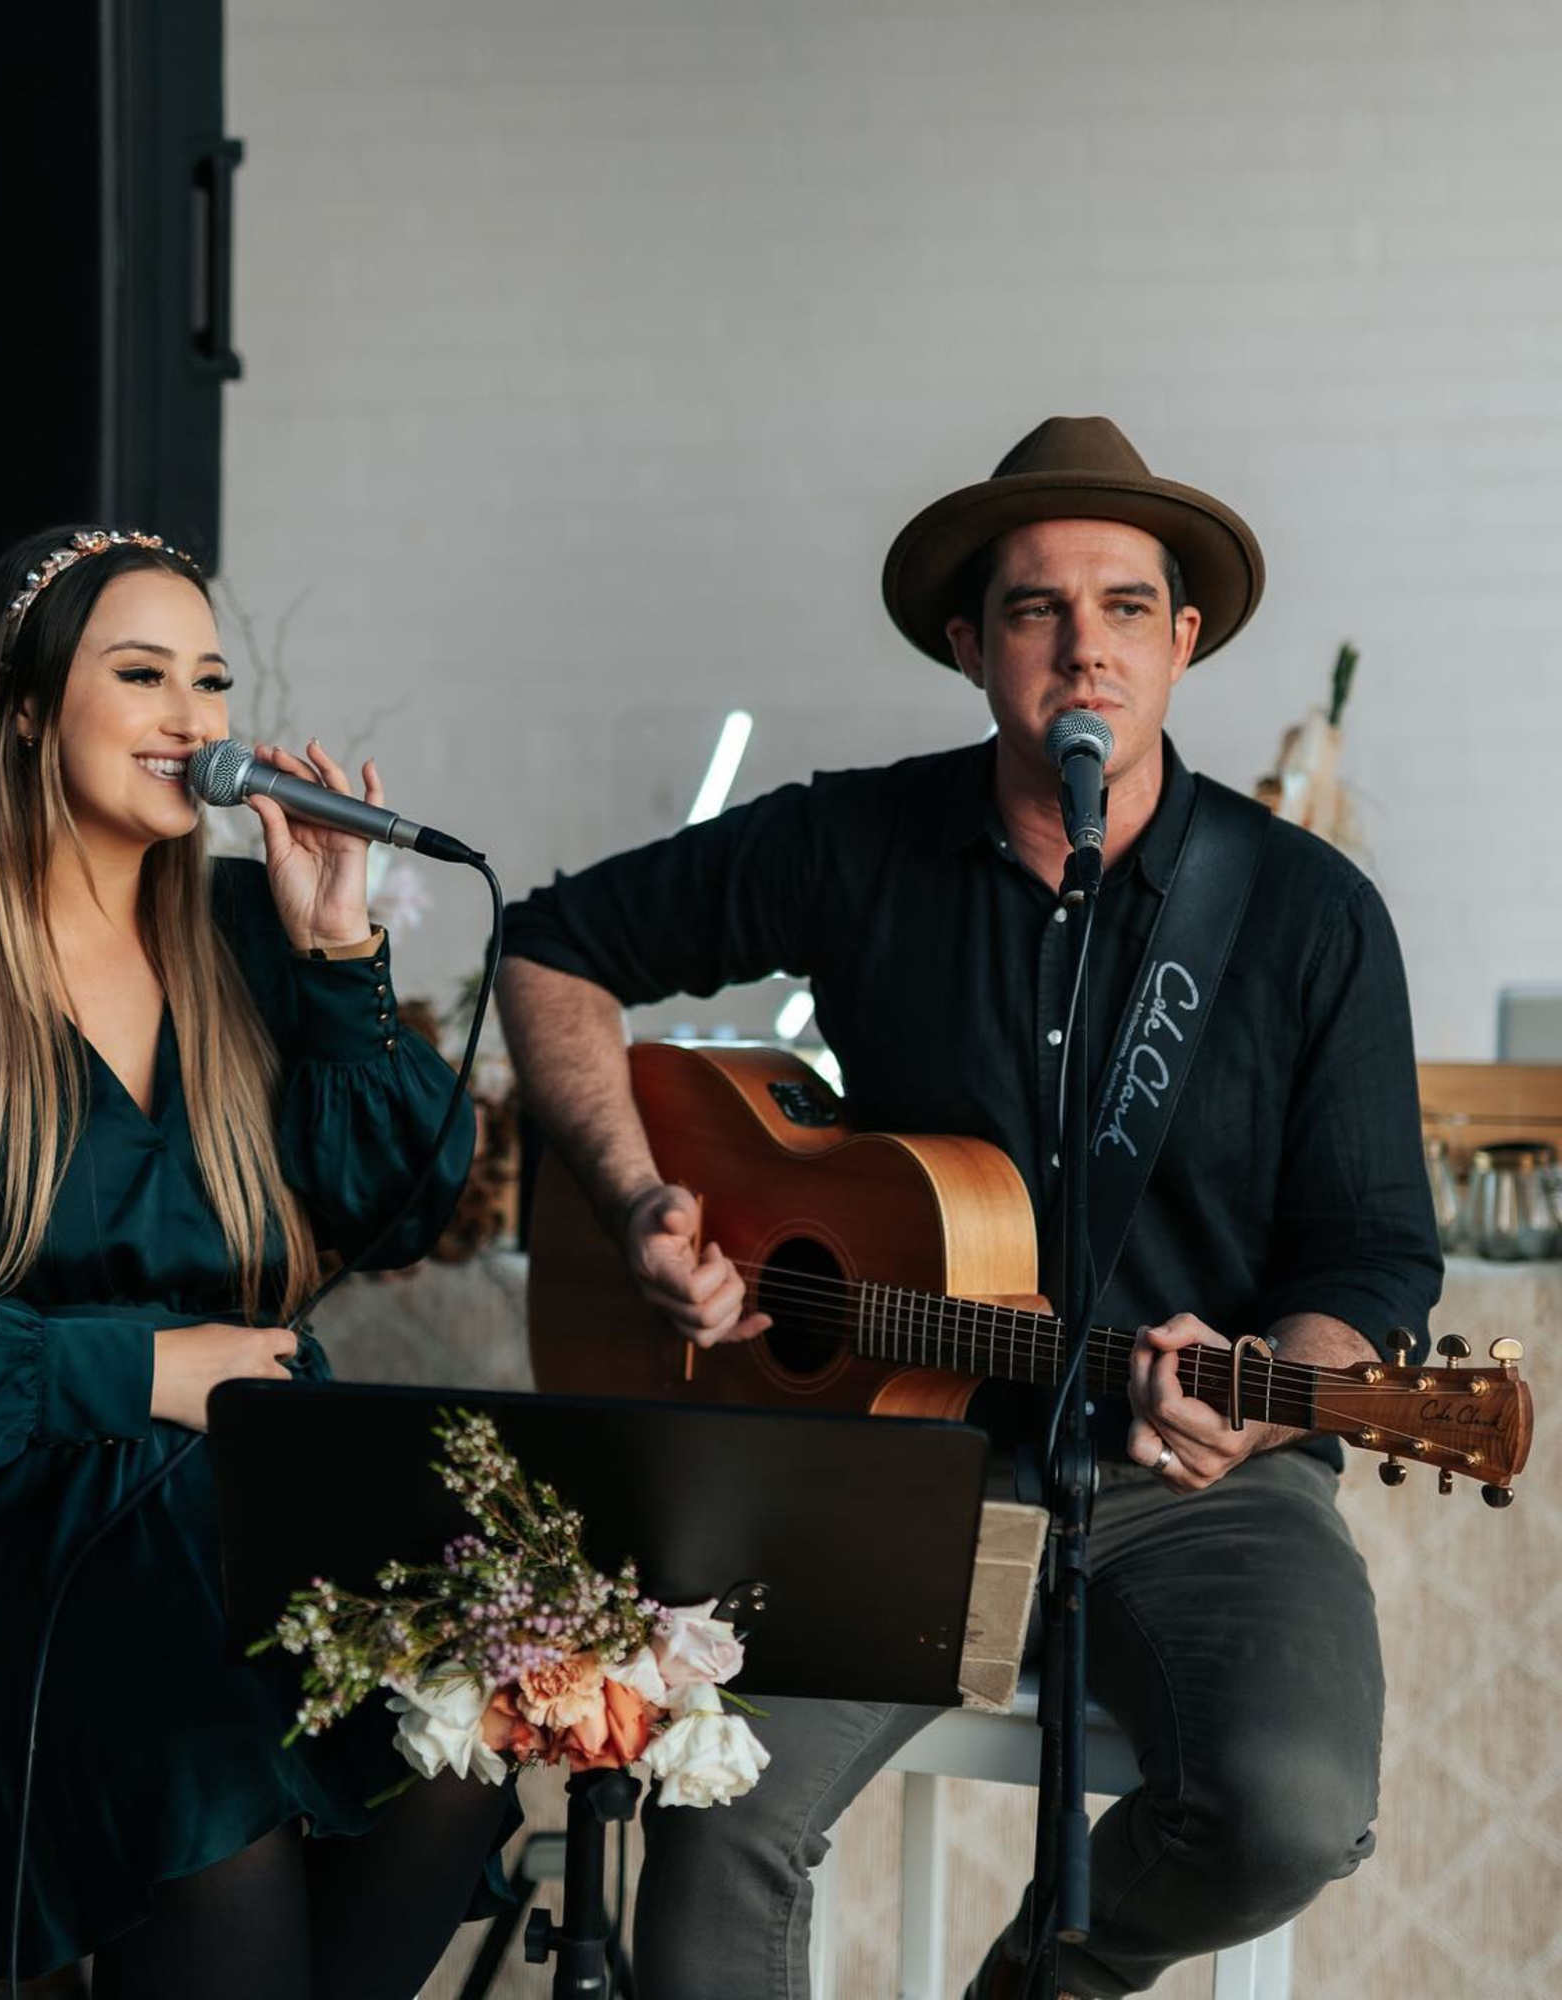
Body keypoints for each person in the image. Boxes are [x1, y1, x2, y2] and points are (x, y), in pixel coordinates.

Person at [497, 417, 1441, 1999]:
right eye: (1035, 610)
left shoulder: (1307, 913)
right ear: (968, 643)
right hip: (888, 1456)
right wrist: (643, 1193)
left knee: (1288, 1808)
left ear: (1184, 639)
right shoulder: (852, 839)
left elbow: (1375, 1249)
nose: (1086, 649)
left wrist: (1266, 1397)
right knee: (714, 1811)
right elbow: (548, 948)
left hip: (1185, 1479)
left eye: (1127, 607)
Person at [0, 526, 507, 1999]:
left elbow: (393, 1211)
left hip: (223, 1513)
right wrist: (139, 1365)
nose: (194, 720)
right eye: (142, 675)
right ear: (24, 712)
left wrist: (337, 964)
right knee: (212, 1791)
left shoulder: (253, 943)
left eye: (209, 679)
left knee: (454, 1751)